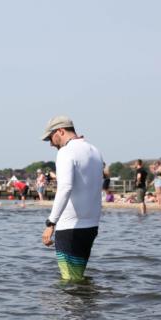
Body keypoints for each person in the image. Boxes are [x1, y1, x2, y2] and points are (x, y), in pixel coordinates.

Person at [40, 115, 104, 281]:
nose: (51, 143)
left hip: (70, 227)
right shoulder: (95, 151)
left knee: (69, 281)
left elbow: (65, 187)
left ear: (60, 131)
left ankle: (70, 307)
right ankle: (88, 306)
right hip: (91, 225)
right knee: (78, 278)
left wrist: (51, 223)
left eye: (50, 137)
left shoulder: (65, 152)